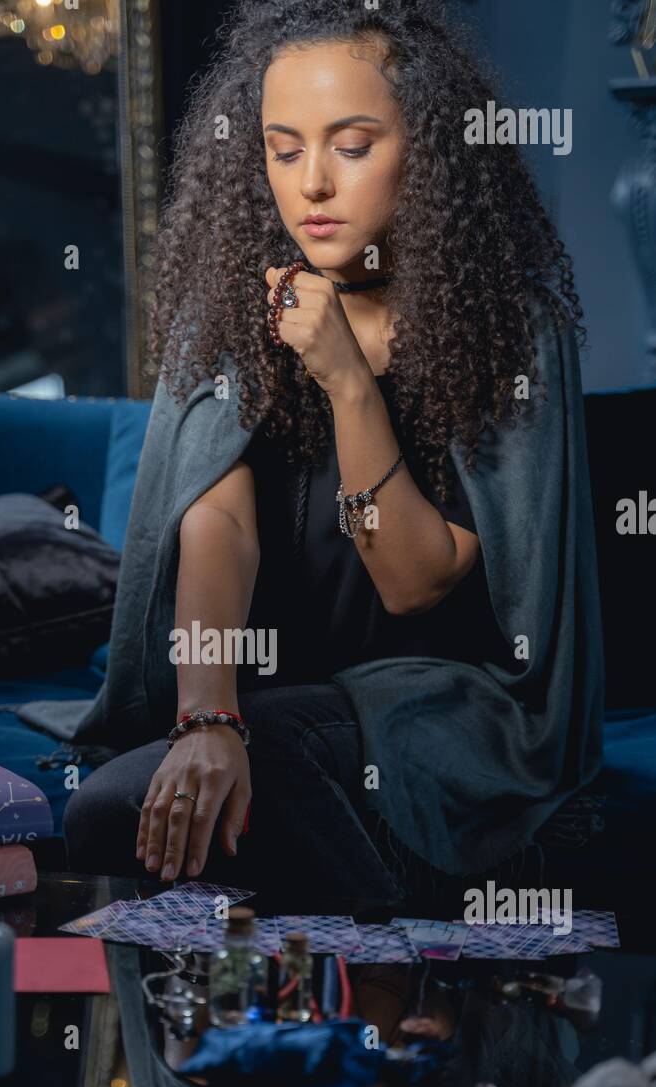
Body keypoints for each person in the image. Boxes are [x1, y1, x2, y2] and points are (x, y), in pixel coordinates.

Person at [62, 0, 603, 916]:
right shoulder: (233, 307)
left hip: (442, 702)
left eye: (352, 147)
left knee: (269, 771)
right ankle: (337, 981)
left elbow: (414, 582)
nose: (311, 183)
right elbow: (216, 521)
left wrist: (348, 381)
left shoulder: (508, 326)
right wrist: (204, 719)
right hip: (272, 692)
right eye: (283, 149)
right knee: (110, 811)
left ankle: (405, 972)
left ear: (427, 153)